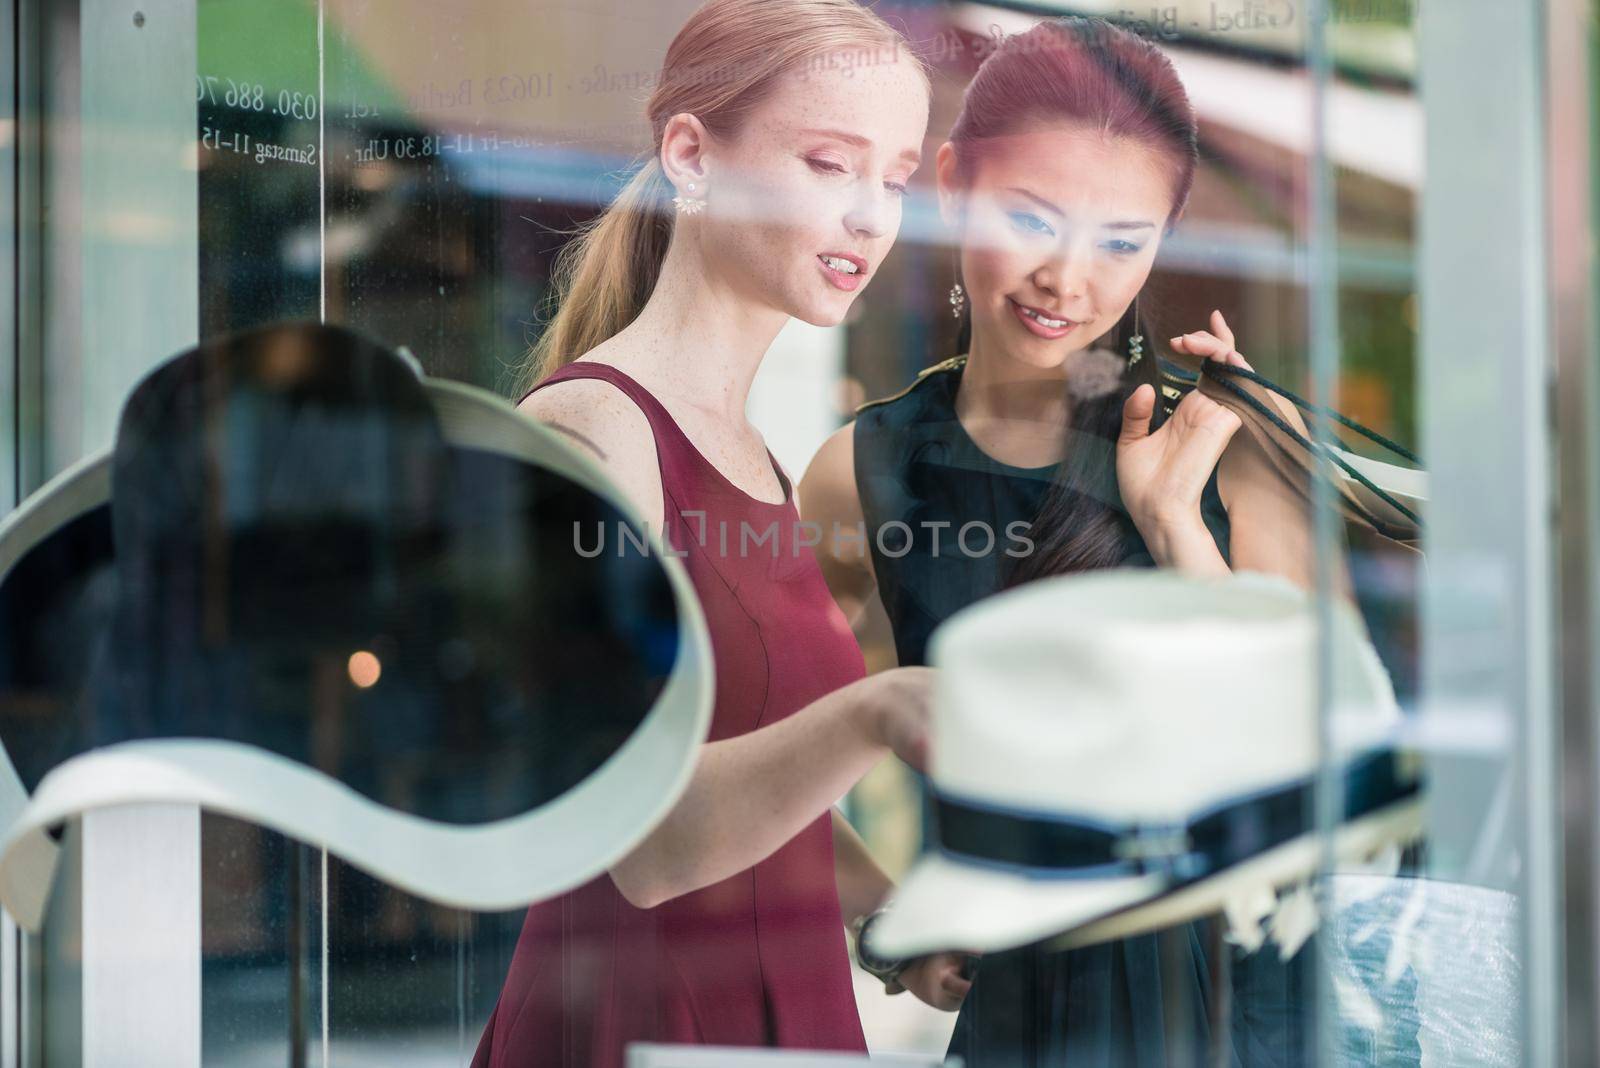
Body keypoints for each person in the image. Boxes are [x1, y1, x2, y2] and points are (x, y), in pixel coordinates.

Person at [800, 15, 1328, 1066]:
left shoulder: (1232, 439)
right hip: (1015, 1020)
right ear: (951, 182)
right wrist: (890, 923)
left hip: (1227, 1014)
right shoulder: (863, 469)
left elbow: (1306, 762)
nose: (1066, 278)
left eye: (1121, 241)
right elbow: (762, 755)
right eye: (1029, 217)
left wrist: (1177, 524)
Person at [470, 2, 970, 1065]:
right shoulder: (593, 432)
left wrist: (895, 921)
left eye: (895, 177)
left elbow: (749, 794)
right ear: (692, 154)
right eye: (832, 165)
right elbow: (643, 843)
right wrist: (877, 710)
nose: (874, 218)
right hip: (638, 1028)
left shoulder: (752, 454)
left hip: (772, 1023)